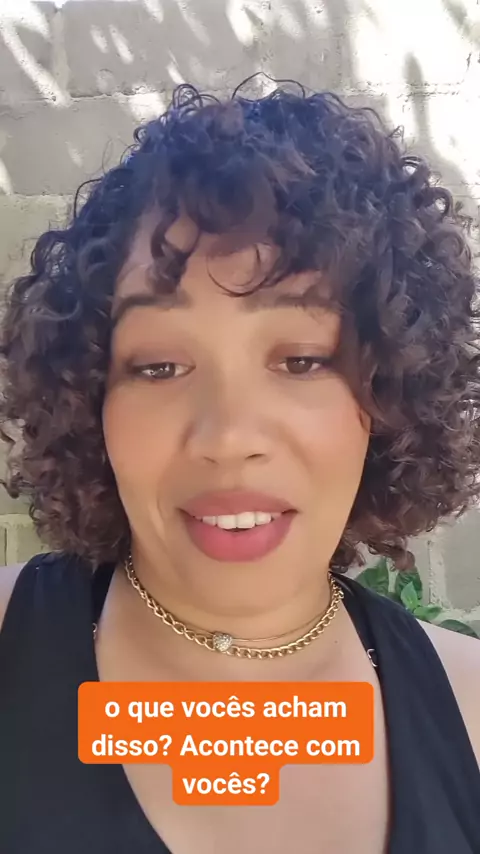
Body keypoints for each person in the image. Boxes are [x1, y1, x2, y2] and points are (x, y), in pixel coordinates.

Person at [0, 76, 479, 854]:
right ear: (88, 400)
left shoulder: (470, 709)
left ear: (392, 392)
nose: (227, 436)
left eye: (301, 359)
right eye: (158, 366)